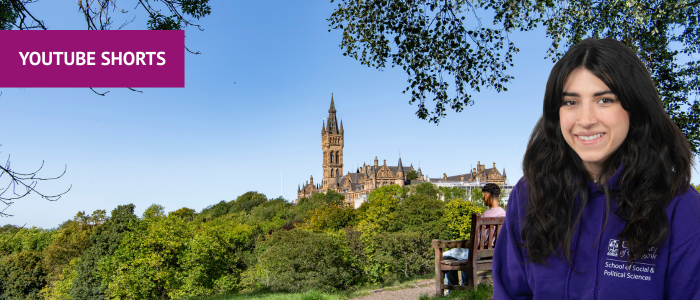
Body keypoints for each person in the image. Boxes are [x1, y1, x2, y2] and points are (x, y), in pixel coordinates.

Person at [492, 38, 700, 299]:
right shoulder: (529, 193)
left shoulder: (681, 207)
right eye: (571, 102)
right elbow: (510, 293)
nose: (586, 120)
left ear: (634, 108)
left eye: (604, 100)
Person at [444, 183, 506, 291]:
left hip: (479, 254)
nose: (483, 199)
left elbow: (476, 241)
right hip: (496, 254)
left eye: (483, 196)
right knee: (463, 256)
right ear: (499, 196)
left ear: (486, 196)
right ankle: (465, 286)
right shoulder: (505, 214)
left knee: (445, 255)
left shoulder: (484, 216)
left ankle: (453, 290)